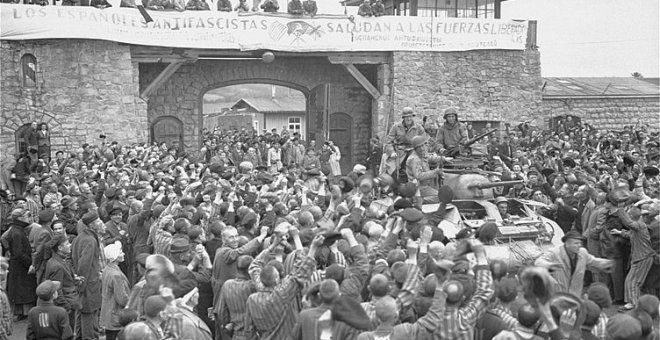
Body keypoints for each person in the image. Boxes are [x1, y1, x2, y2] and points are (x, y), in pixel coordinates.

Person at [535, 231, 614, 297]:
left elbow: (593, 261)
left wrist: (608, 263)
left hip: (575, 295)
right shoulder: (555, 252)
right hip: (558, 294)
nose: (579, 246)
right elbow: (538, 262)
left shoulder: (582, 252)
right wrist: (549, 265)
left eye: (580, 243)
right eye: (576, 243)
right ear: (567, 244)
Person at [71, 211, 105, 340]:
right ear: (92, 224)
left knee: (81, 313)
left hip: (83, 283)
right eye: (99, 221)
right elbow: (84, 265)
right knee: (89, 314)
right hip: (88, 284)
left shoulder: (79, 237)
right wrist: (81, 284)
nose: (102, 223)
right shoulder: (90, 240)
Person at [4, 208, 38, 321]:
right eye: (26, 216)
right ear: (20, 218)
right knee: (22, 289)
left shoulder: (17, 229)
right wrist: (29, 262)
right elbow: (18, 253)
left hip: (18, 265)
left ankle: (21, 312)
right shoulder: (17, 232)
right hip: (20, 266)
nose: (29, 218)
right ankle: (21, 312)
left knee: (20, 289)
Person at [100, 241, 130, 340]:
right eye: (120, 252)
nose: (123, 253)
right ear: (115, 256)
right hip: (115, 314)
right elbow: (121, 298)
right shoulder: (116, 275)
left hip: (108, 313)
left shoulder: (107, 269)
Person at [405, 136, 443, 203]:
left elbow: (429, 158)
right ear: (415, 149)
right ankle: (420, 201)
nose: (422, 148)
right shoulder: (414, 159)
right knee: (441, 197)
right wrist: (435, 172)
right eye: (419, 147)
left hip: (425, 185)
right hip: (418, 187)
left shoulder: (421, 154)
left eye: (423, 145)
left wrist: (443, 159)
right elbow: (419, 176)